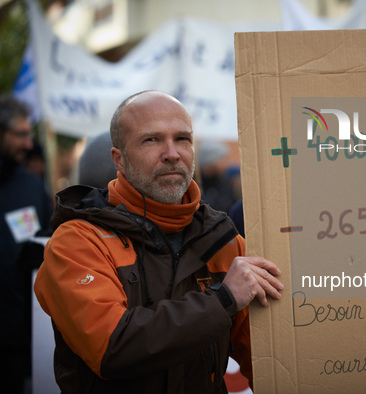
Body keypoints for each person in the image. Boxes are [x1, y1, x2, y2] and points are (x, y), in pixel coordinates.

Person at [34, 91, 283, 393]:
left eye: (182, 139)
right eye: (151, 140)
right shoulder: (77, 242)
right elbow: (113, 348)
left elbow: (270, 360)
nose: (172, 153)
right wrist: (223, 300)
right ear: (119, 159)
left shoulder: (224, 241)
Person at [0, 96, 52, 394]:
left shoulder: (30, 186)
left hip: (17, 339)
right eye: (20, 134)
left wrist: (44, 252)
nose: (28, 143)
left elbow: (48, 241)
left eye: (28, 133)